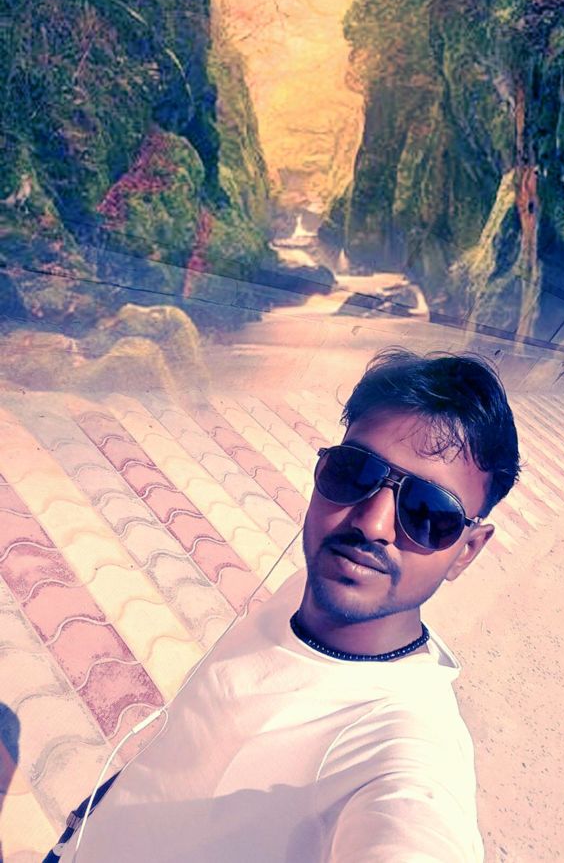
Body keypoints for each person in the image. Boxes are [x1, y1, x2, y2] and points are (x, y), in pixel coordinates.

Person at [48, 348, 520, 862]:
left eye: (429, 512)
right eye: (354, 471)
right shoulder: (311, 584)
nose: (371, 524)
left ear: (466, 551)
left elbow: (414, 825)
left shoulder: (404, 746)